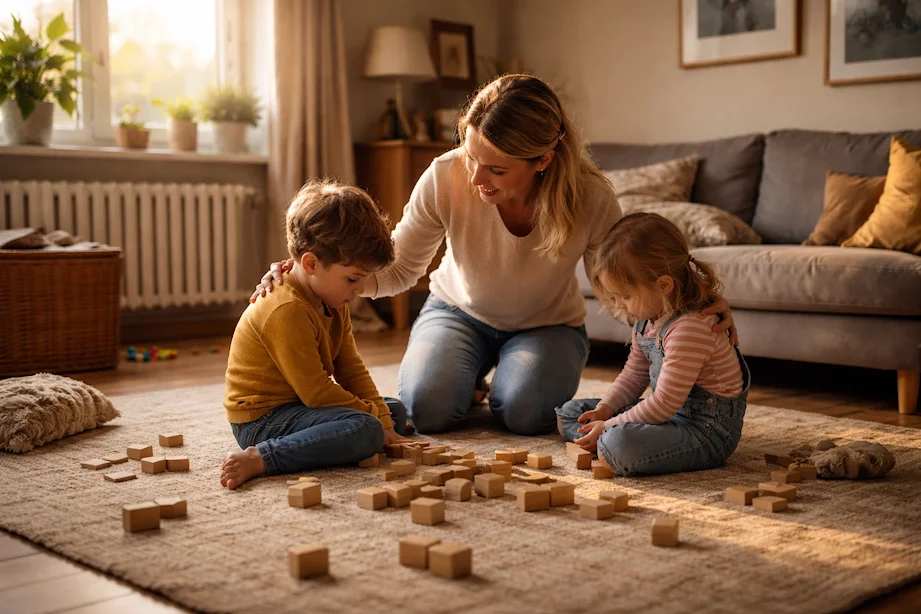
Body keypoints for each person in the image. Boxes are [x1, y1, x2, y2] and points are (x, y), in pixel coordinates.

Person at [251, 74, 737, 437]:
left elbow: (624, 286)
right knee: (427, 410)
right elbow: (397, 267)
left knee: (526, 414)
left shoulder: (591, 197)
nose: (476, 178)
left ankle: (498, 384)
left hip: (548, 326)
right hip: (456, 312)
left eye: (496, 170)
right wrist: (309, 277)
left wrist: (689, 305)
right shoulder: (444, 176)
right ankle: (470, 383)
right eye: (471, 157)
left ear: (542, 160)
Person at [220, 179, 411, 490]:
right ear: (310, 263)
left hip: (298, 405)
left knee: (394, 411)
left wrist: (384, 418)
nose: (361, 290)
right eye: (353, 279)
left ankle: (361, 431)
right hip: (261, 421)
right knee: (366, 428)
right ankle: (262, 458)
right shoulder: (286, 309)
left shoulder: (332, 299)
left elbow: (351, 368)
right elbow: (317, 392)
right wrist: (375, 419)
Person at [556, 212, 749, 477]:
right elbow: (633, 376)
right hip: (668, 415)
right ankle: (605, 439)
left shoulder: (690, 328)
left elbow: (664, 403)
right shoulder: (648, 318)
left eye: (625, 296)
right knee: (569, 414)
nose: (619, 305)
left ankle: (607, 443)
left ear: (664, 285)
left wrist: (609, 426)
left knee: (615, 444)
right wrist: (605, 410)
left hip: (704, 431)